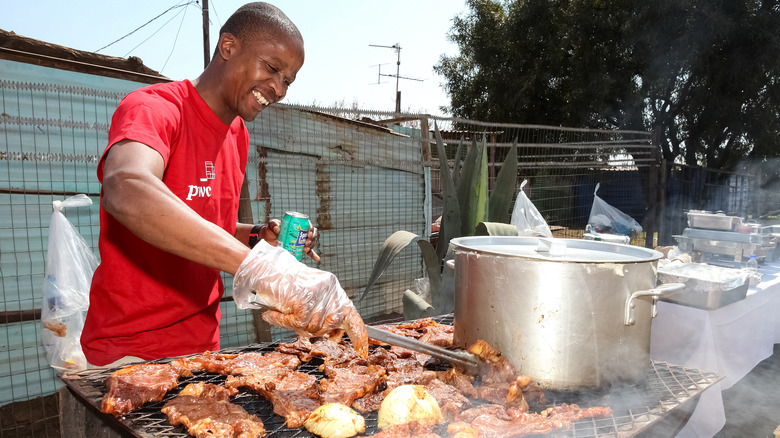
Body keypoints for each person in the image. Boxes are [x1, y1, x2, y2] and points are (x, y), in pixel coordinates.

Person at [81, 2, 366, 367]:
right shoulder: (155, 109)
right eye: (273, 68)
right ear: (228, 47)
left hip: (204, 350)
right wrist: (259, 268)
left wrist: (258, 237)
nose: (279, 89)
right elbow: (126, 187)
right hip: (130, 354)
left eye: (288, 80)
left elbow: (203, 224)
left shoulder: (237, 135)